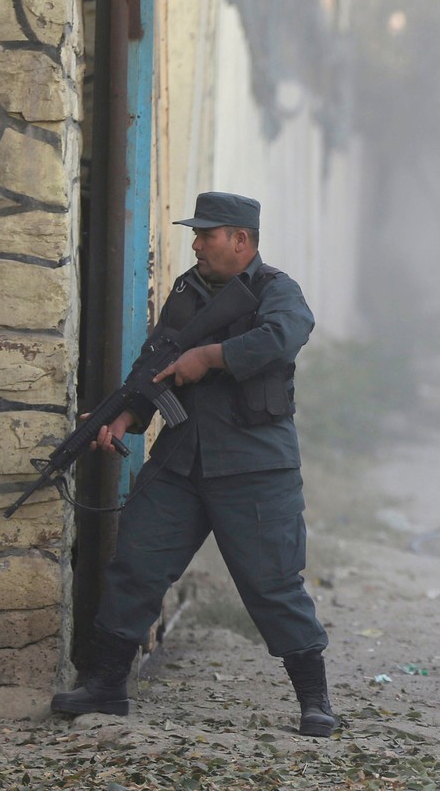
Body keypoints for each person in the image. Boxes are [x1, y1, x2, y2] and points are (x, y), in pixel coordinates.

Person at [51, 192, 336, 737]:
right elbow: (153, 369)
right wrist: (124, 418)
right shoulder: (186, 293)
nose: (196, 243)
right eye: (196, 234)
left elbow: (283, 339)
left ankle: (314, 698)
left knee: (273, 582)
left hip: (255, 466)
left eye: (207, 234)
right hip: (182, 463)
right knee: (136, 563)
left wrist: (211, 358)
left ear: (241, 240)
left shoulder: (277, 291)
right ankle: (107, 684)